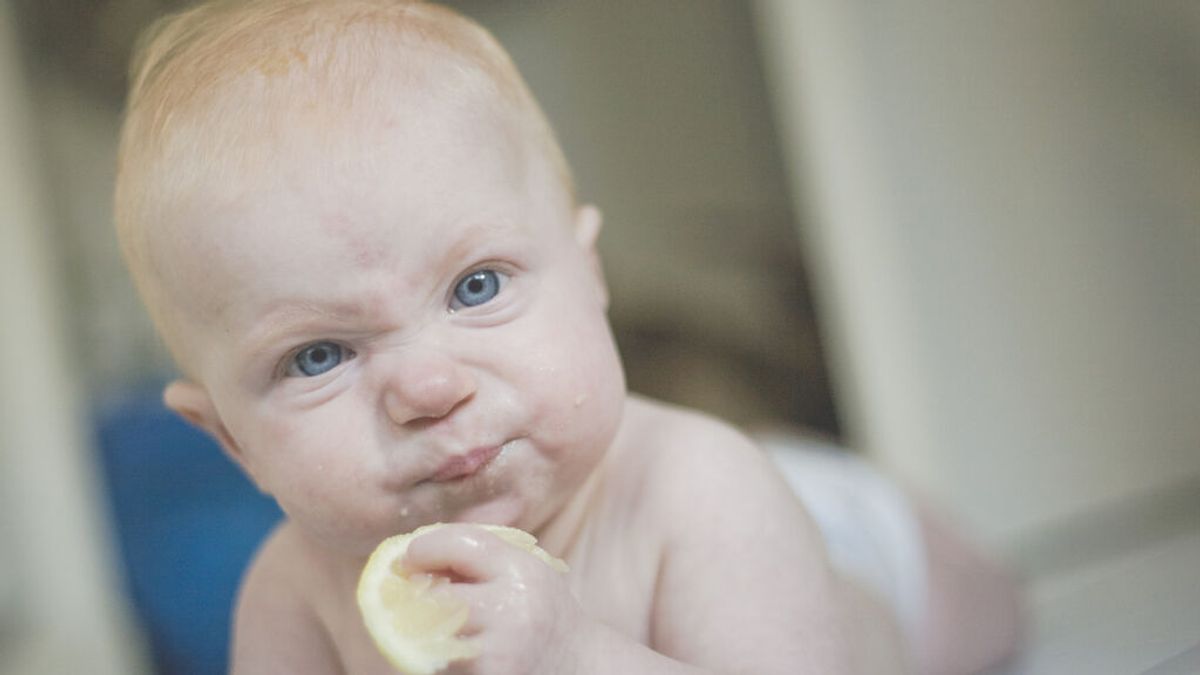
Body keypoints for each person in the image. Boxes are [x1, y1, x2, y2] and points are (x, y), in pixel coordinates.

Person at [113, 1, 1022, 673]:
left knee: (987, 617)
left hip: (838, 540)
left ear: (591, 274)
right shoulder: (292, 594)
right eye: (319, 354)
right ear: (233, 441)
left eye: (475, 287)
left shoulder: (699, 491)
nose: (428, 387)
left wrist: (575, 654)